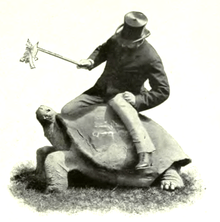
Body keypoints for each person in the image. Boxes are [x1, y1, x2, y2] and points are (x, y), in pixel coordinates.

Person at [61, 11, 170, 170]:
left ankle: (145, 152)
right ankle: (74, 147)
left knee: (125, 111)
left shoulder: (150, 57)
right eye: (121, 40)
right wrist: (90, 61)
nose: (123, 44)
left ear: (140, 40)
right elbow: (102, 50)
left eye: (128, 43)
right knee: (67, 110)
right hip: (101, 89)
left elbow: (163, 90)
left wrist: (138, 100)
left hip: (124, 95)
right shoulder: (116, 40)